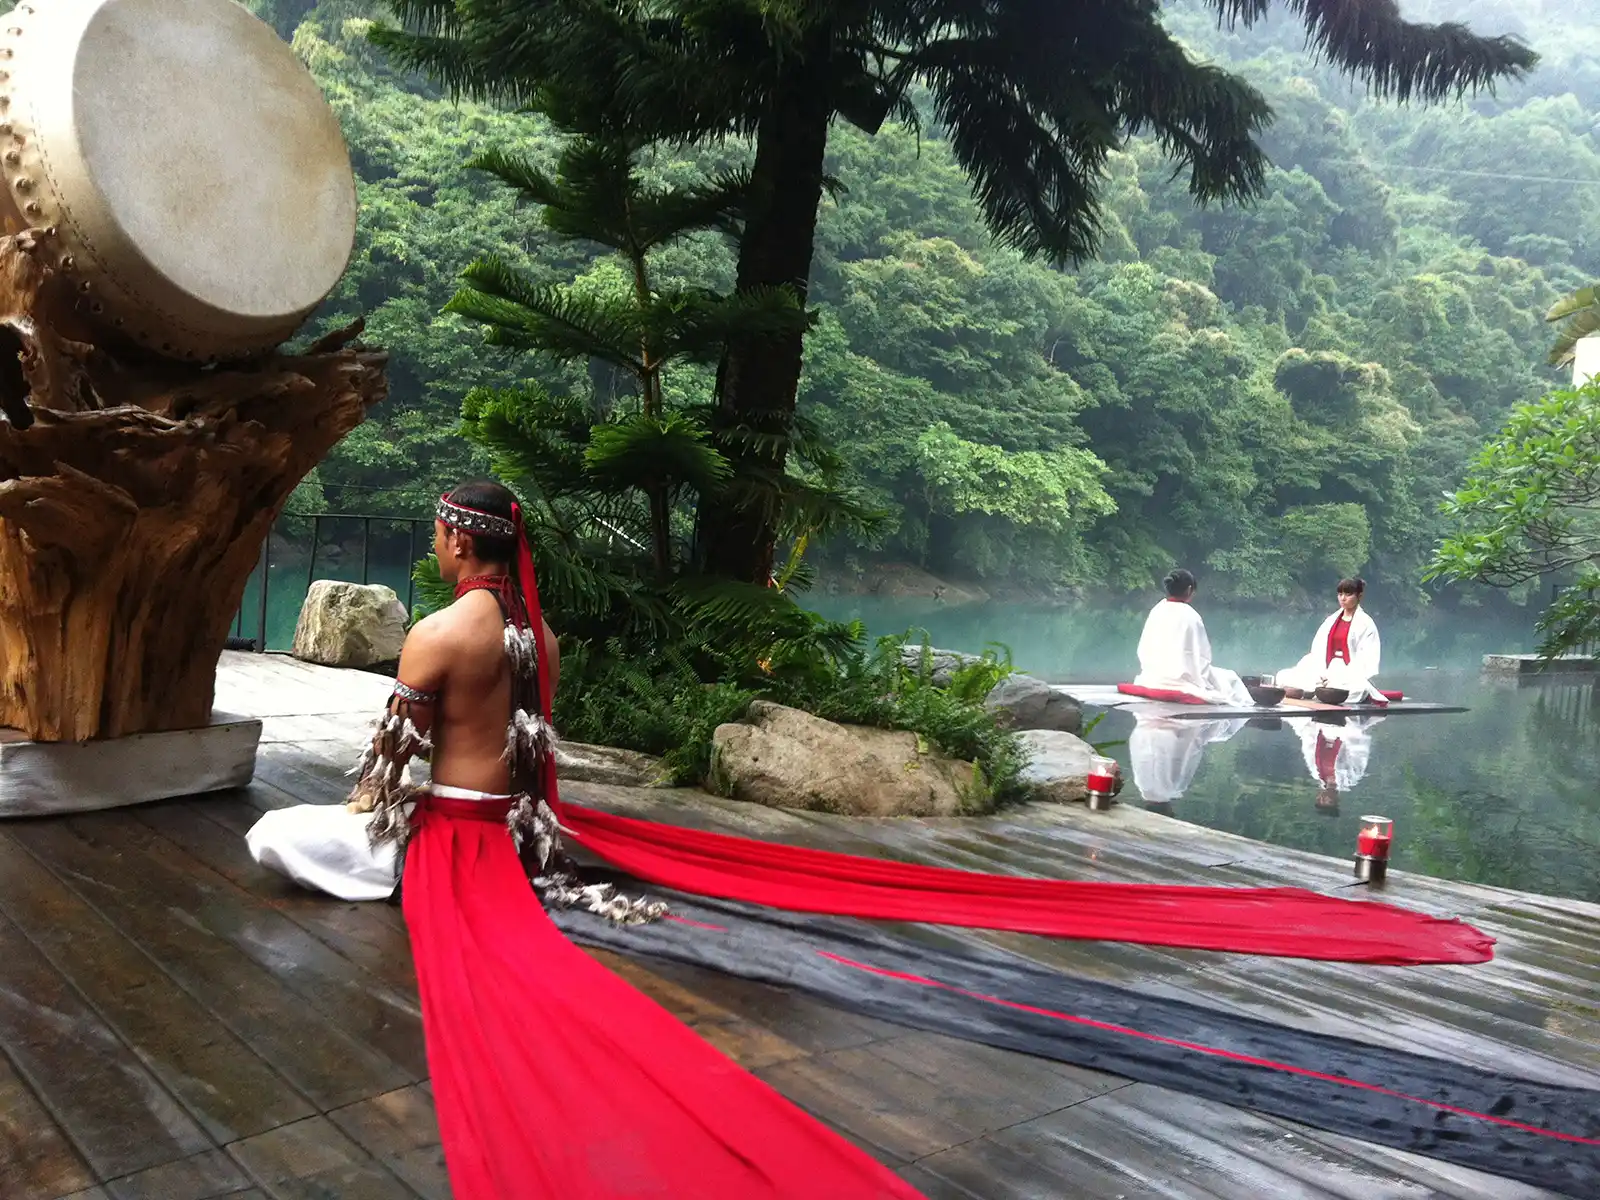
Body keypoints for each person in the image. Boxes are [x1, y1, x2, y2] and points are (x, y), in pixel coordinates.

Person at [250, 480, 923, 1200]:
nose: (439, 543)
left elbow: (392, 757)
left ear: (462, 542)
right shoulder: (542, 635)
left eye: (441, 532)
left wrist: (376, 811)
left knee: (275, 833)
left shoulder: (437, 634)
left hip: (456, 830)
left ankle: (391, 873)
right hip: (519, 827)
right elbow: (529, 746)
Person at [1133, 568, 1253, 705]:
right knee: (1231, 679)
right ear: (1189, 589)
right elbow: (1202, 658)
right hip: (1183, 681)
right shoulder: (1191, 616)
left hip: (1152, 677)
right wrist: (1202, 680)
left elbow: (1143, 649)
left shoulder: (1157, 610)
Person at [1277, 578, 1387, 706]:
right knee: (1283, 676)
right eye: (1340, 594)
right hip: (1325, 670)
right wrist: (1322, 673)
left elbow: (1366, 659)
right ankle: (1317, 691)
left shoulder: (1366, 624)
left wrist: (1341, 676)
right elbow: (1318, 651)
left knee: (1358, 689)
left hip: (1348, 674)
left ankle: (1315, 692)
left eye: (1348, 594)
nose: (1343, 598)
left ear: (1359, 596)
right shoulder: (1330, 621)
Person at [1128, 712, 1247, 812]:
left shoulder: (1175, 787)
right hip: (1150, 731)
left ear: (1169, 810)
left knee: (1220, 731)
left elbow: (1188, 755)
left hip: (1174, 735)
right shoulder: (1140, 784)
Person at [1296, 713, 1386, 815]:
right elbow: (1358, 746)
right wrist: (1341, 726)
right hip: (1345, 726)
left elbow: (1308, 743)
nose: (1323, 798)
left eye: (1319, 800)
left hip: (1320, 723)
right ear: (1336, 800)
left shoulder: (1316, 774)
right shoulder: (1351, 777)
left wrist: (1313, 724)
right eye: (1327, 801)